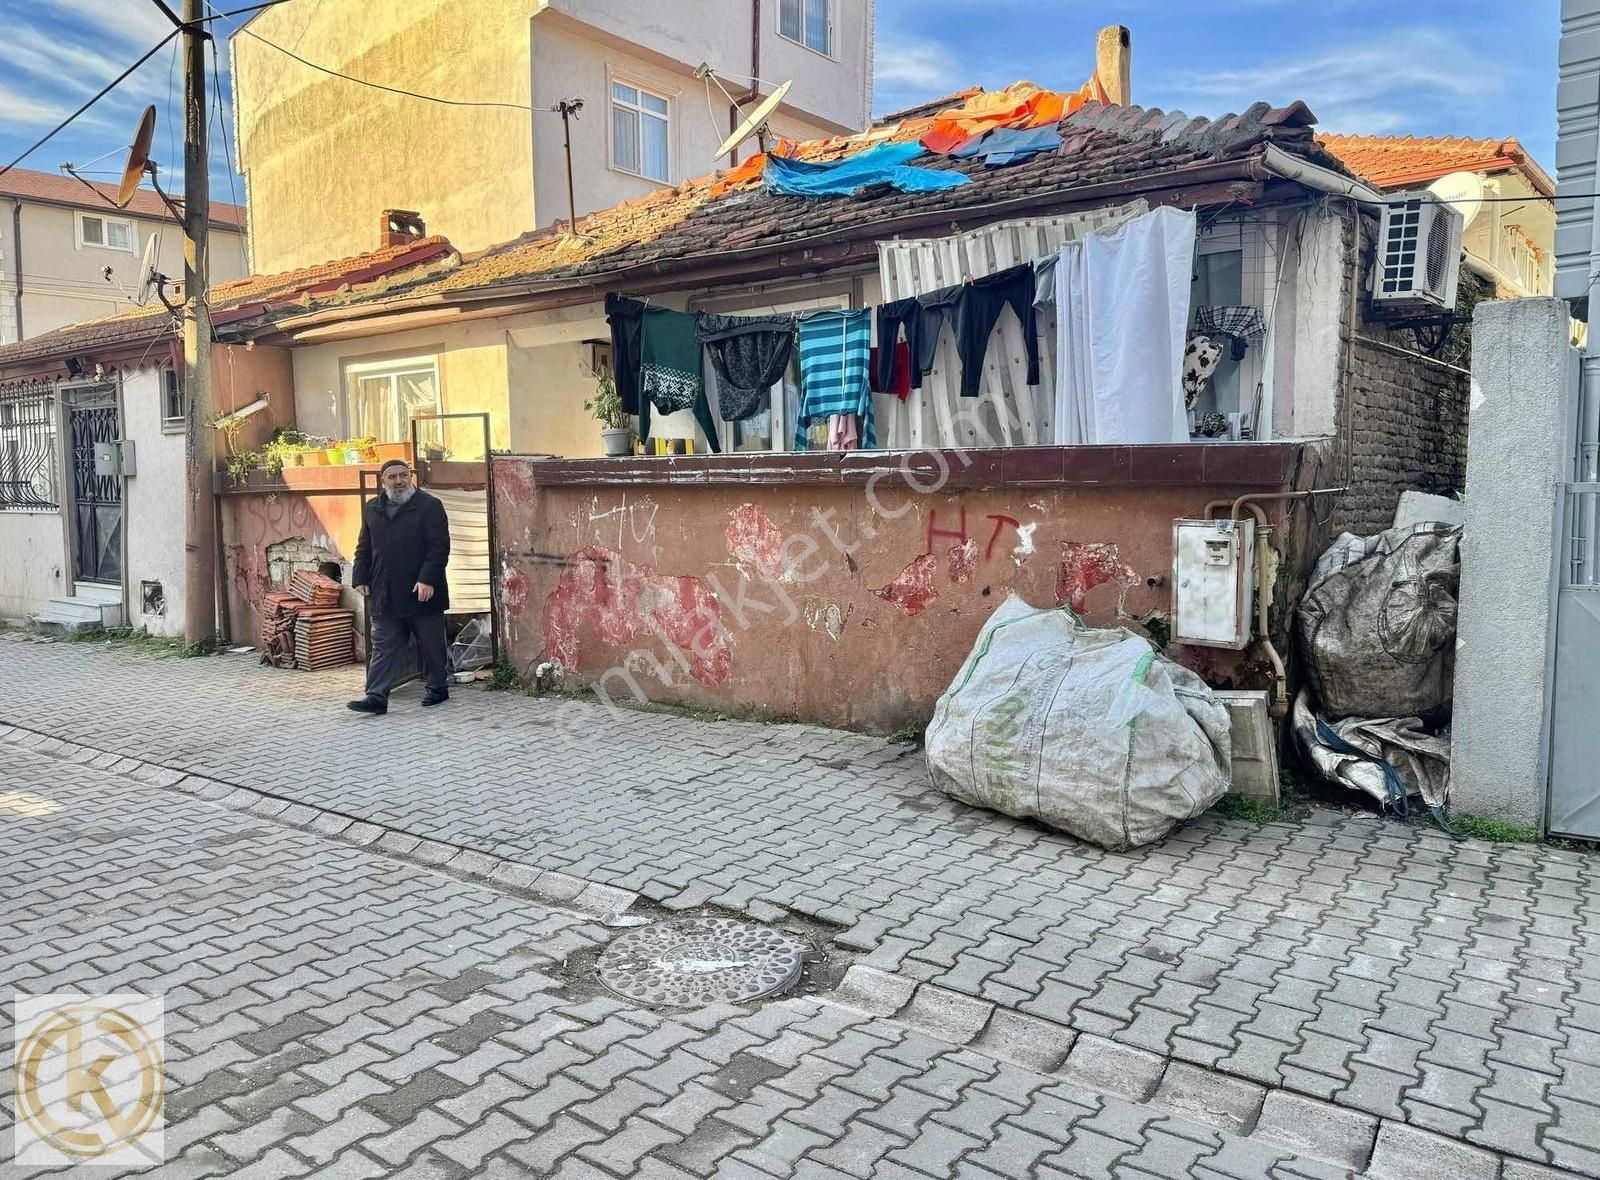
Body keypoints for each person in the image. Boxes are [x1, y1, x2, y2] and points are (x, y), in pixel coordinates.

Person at [348, 459, 451, 715]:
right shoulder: (373, 508)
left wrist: (428, 579)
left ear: (410, 477)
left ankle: (437, 688)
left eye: (403, 475)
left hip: (421, 590)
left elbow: (439, 547)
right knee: (383, 645)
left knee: (430, 643)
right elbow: (364, 546)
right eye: (392, 477)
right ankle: (376, 696)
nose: (399, 481)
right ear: (383, 482)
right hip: (385, 591)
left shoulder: (429, 506)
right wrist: (360, 576)